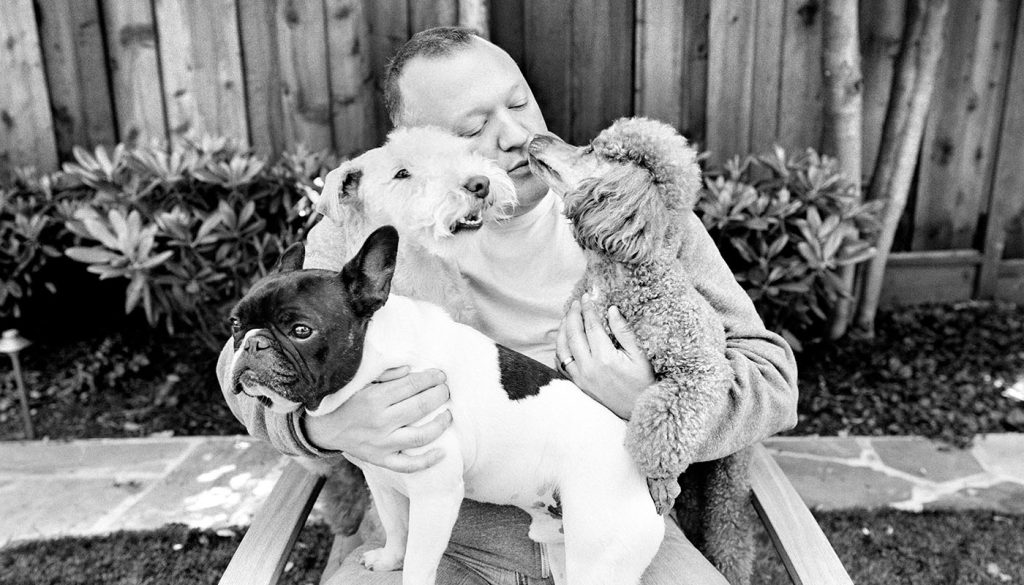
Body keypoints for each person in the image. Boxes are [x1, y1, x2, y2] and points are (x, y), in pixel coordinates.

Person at [217, 26, 798, 585]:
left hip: (616, 526)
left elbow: (773, 379)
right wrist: (324, 428)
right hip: (433, 536)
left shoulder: (633, 212)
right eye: (473, 129)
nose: (514, 134)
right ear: (418, 146)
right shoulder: (364, 226)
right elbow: (240, 363)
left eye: (520, 103)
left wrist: (650, 407)